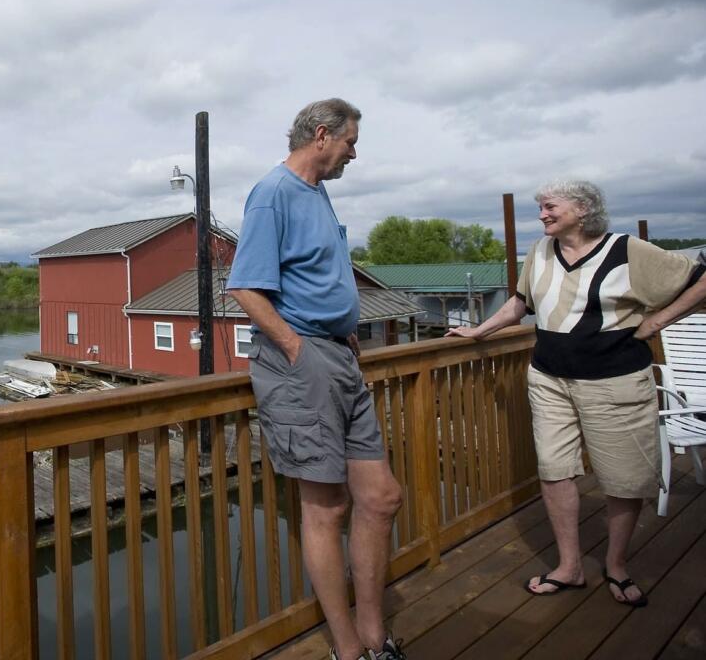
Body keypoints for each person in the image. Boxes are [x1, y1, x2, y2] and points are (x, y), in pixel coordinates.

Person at [447, 180, 706, 607]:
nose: (542, 214)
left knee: (623, 478)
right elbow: (519, 304)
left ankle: (617, 565)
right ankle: (569, 567)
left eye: (550, 207)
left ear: (583, 209)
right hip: (549, 379)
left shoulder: (628, 251)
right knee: (554, 469)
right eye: (541, 208)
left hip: (616, 381)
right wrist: (478, 330)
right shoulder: (540, 251)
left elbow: (699, 280)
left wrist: (657, 323)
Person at [227, 98, 404, 660]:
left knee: (380, 498)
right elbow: (246, 286)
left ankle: (377, 635)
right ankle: (350, 649)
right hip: (302, 365)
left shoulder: (317, 193)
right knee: (325, 509)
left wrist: (342, 330)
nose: (354, 153)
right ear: (323, 135)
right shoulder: (273, 193)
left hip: (339, 357)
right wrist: (297, 347)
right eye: (351, 142)